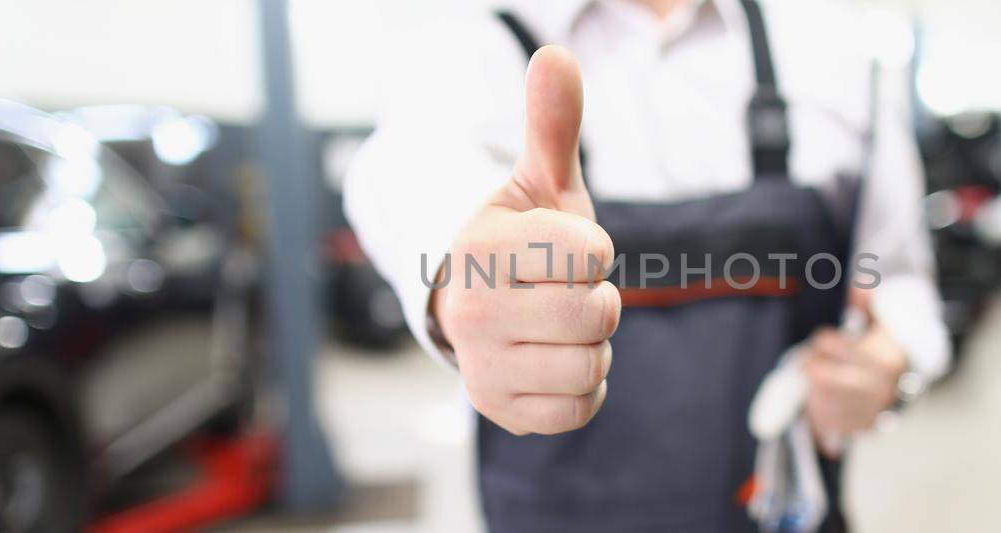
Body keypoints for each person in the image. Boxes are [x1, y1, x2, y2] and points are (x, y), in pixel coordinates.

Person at [344, 0, 949, 530]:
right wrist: (458, 279)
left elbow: (896, 278)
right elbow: (399, 178)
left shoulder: (832, 50)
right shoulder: (471, 54)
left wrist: (892, 368)